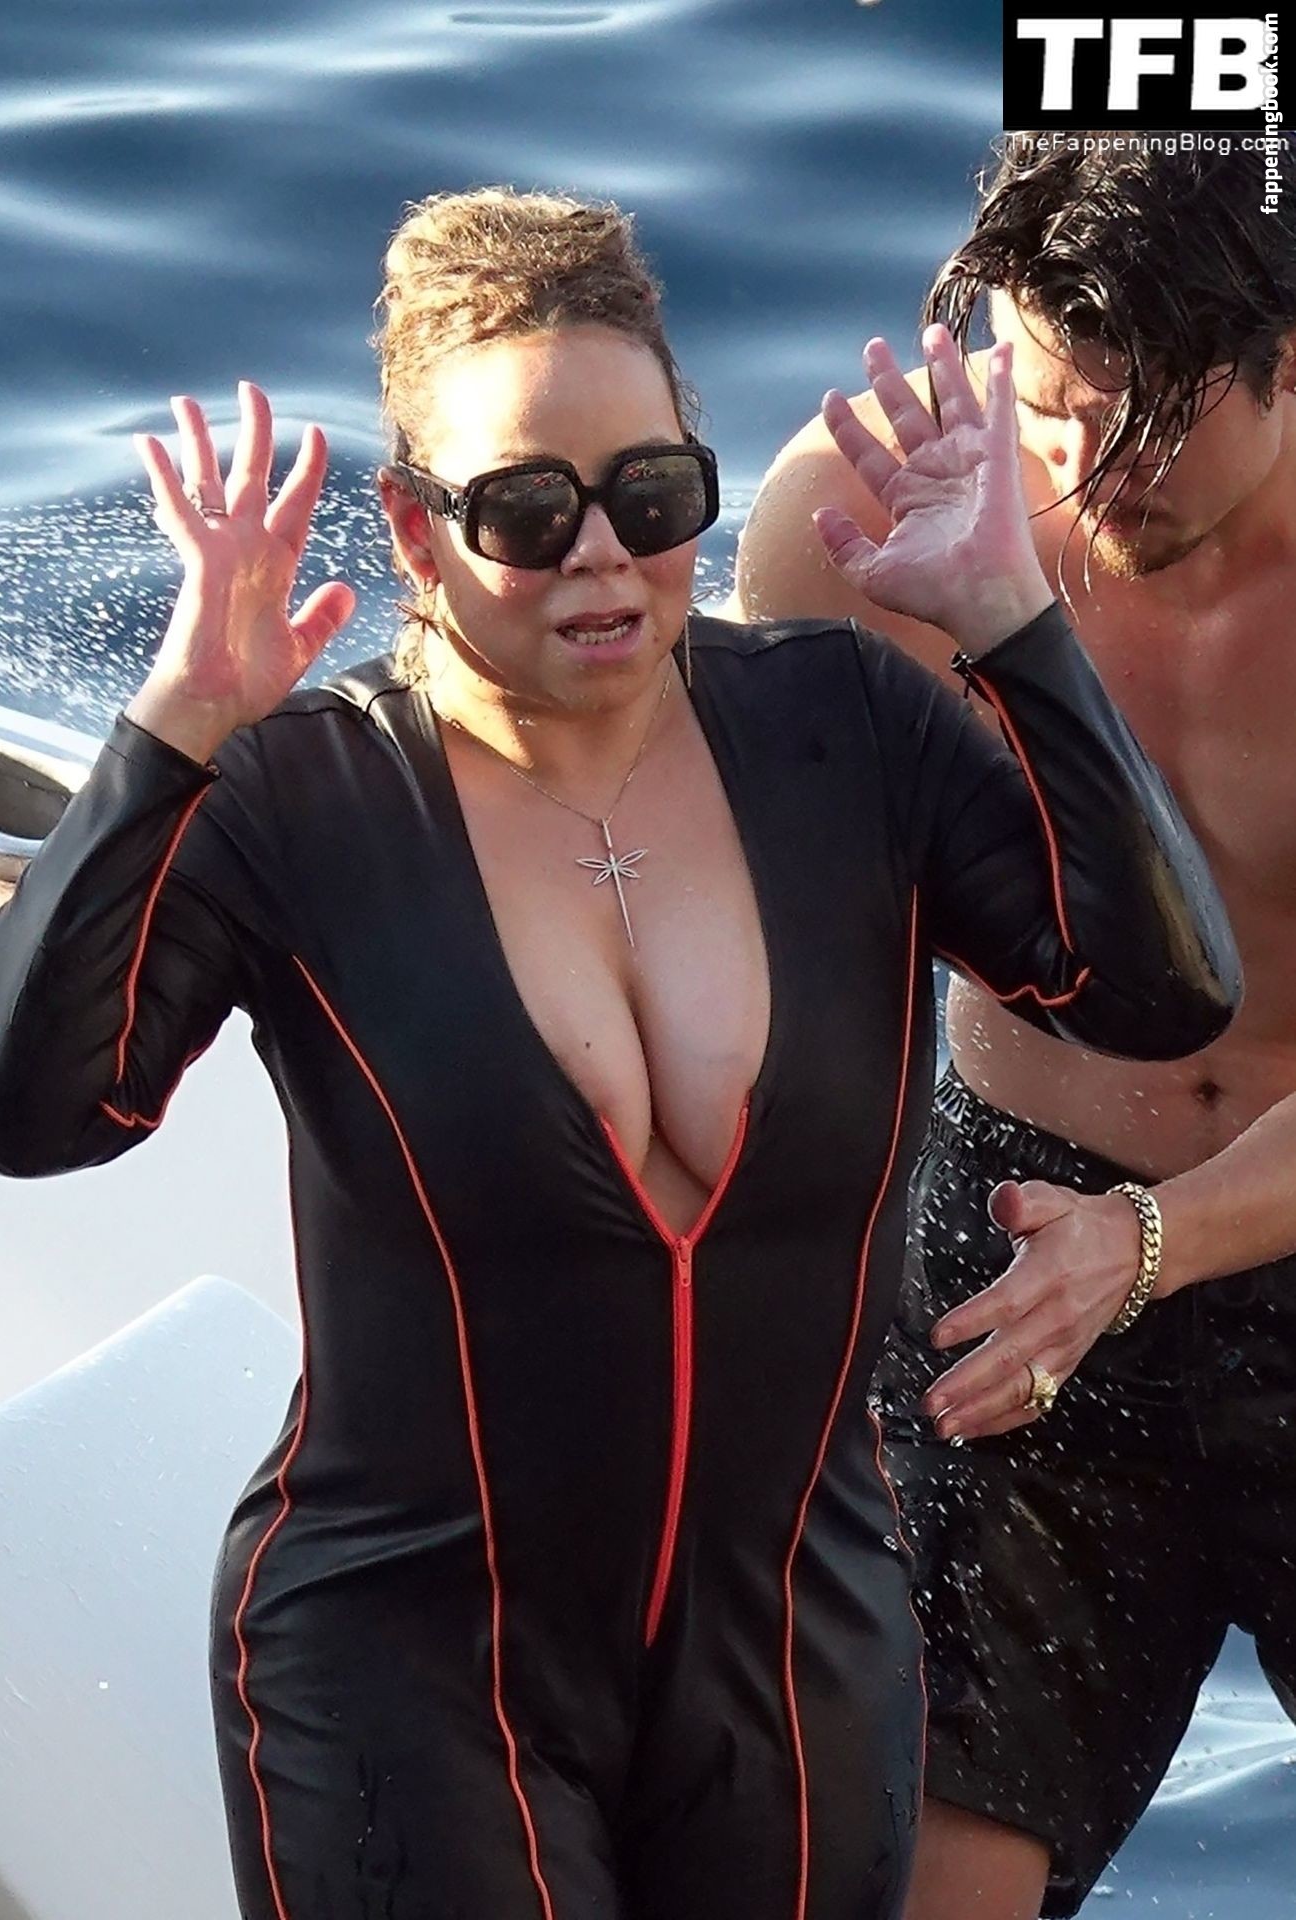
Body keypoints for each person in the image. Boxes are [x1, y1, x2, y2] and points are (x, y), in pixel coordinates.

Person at [0, 187, 1237, 1920]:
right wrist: (170, 733)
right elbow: (24, 1112)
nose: (601, 555)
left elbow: (1154, 994)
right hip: (413, 1663)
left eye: (651, 495)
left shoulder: (847, 730)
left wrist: (1011, 619)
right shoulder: (300, 800)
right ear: (414, 531)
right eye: (526, 512)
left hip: (789, 1646)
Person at [733, 133, 1296, 1920]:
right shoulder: (852, 525)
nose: (1083, 474)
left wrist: (1154, 1239)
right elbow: (769, 976)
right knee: (893, 1878)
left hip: (1236, 1227)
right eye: (1052, 406)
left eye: (1151, 423)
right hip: (1013, 1240)